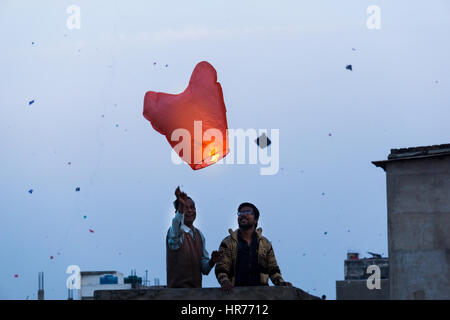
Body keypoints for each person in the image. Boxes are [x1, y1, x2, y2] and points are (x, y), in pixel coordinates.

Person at [215, 202, 292, 293]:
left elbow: (273, 269)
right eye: (240, 213)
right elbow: (221, 268)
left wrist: (281, 283)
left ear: (256, 220)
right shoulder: (228, 242)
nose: (243, 215)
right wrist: (225, 281)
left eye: (247, 212)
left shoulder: (265, 244)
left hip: (262, 294)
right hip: (235, 294)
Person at [166, 186, 222, 288]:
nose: (190, 211)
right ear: (177, 212)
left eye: (192, 207)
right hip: (177, 294)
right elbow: (176, 225)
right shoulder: (175, 232)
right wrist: (181, 208)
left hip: (196, 294)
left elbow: (204, 269)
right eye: (185, 208)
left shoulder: (199, 235)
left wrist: (212, 261)